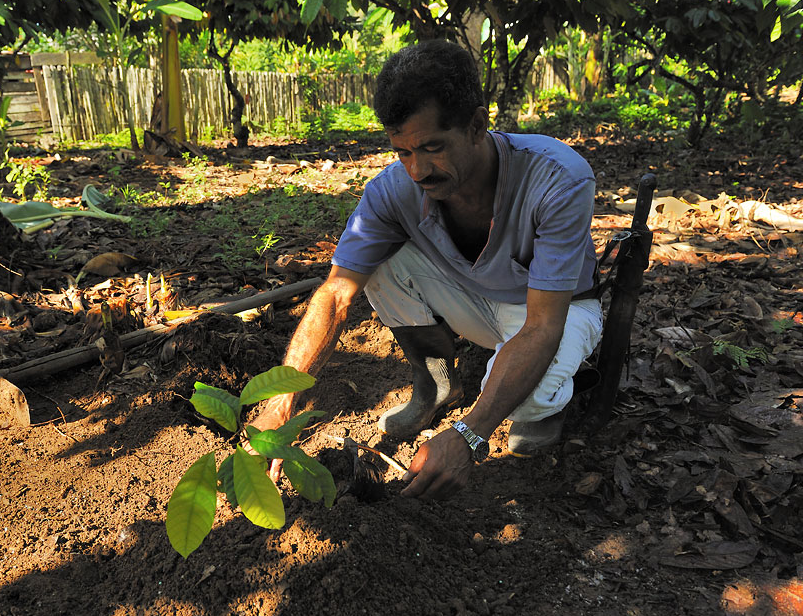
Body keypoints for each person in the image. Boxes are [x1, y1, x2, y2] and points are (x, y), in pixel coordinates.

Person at [250, 40, 603, 501]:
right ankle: (436, 383)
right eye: (402, 152)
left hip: (555, 311)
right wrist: (281, 402)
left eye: (432, 148)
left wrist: (468, 437)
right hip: (475, 298)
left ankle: (547, 402)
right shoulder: (391, 191)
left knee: (529, 405)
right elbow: (336, 294)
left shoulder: (557, 178)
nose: (417, 170)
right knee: (373, 264)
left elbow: (542, 325)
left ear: (477, 125)